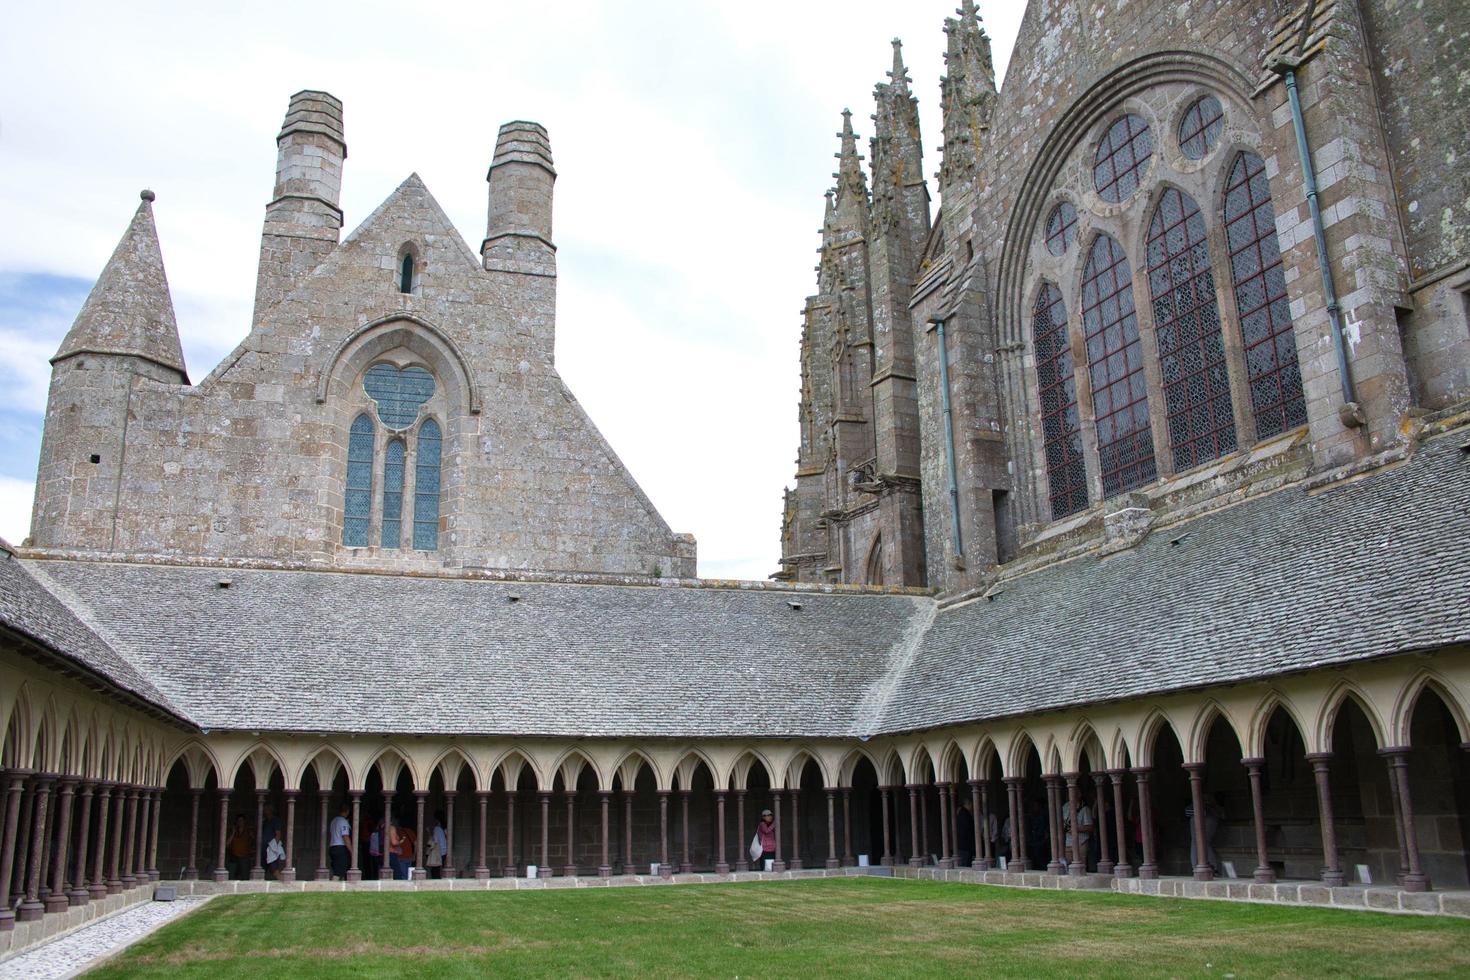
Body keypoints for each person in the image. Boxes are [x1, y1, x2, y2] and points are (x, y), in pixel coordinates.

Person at [1063, 789, 1093, 872]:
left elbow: (1090, 827)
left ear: (1079, 795)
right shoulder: (1065, 807)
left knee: (1080, 867)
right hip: (1068, 842)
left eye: (1075, 792)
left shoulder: (1084, 809)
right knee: (1068, 865)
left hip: (1081, 842)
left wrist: (1076, 828)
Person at [328, 802, 353, 880]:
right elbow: (345, 837)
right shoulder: (343, 822)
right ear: (347, 811)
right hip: (340, 848)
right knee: (339, 872)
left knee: (338, 870)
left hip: (333, 847)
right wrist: (351, 850)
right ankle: (333, 888)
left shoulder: (334, 821)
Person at [226, 813, 254, 880]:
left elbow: (255, 841)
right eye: (238, 821)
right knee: (232, 876)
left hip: (244, 857)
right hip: (234, 856)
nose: (240, 822)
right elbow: (227, 844)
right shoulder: (234, 831)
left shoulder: (248, 831)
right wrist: (233, 833)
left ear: (244, 821)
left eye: (241, 820)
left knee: (245, 876)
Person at [428, 810, 448, 878]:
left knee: (435, 869)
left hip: (439, 851)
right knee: (438, 868)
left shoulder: (437, 829)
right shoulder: (444, 828)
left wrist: (429, 833)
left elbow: (435, 841)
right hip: (444, 851)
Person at [954, 799, 974, 867]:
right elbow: (968, 829)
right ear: (967, 804)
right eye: (971, 805)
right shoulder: (965, 814)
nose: (972, 807)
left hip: (961, 843)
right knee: (965, 862)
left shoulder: (961, 813)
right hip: (965, 844)